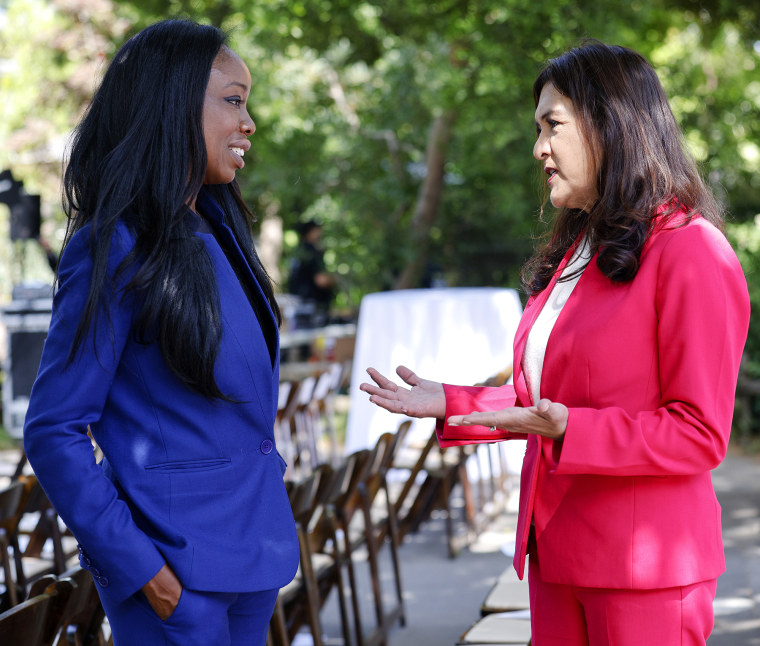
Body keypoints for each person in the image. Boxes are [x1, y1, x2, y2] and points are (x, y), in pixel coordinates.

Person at [361, 40, 750, 646]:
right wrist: (454, 402)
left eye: (553, 125)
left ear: (611, 123)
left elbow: (698, 433)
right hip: (556, 556)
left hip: (639, 574)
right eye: (537, 128)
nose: (539, 147)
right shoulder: (584, 248)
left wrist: (573, 429)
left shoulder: (690, 250)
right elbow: (545, 402)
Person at [23, 20, 299, 646]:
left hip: (252, 557)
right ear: (174, 102)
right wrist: (144, 571)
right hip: (176, 576)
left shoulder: (220, 230)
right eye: (233, 100)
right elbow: (54, 426)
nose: (248, 122)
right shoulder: (113, 244)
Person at [287, 220, 335, 326]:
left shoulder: (298, 250)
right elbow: (320, 280)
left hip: (298, 302)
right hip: (310, 304)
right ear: (310, 232)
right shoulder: (311, 252)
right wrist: (334, 279)